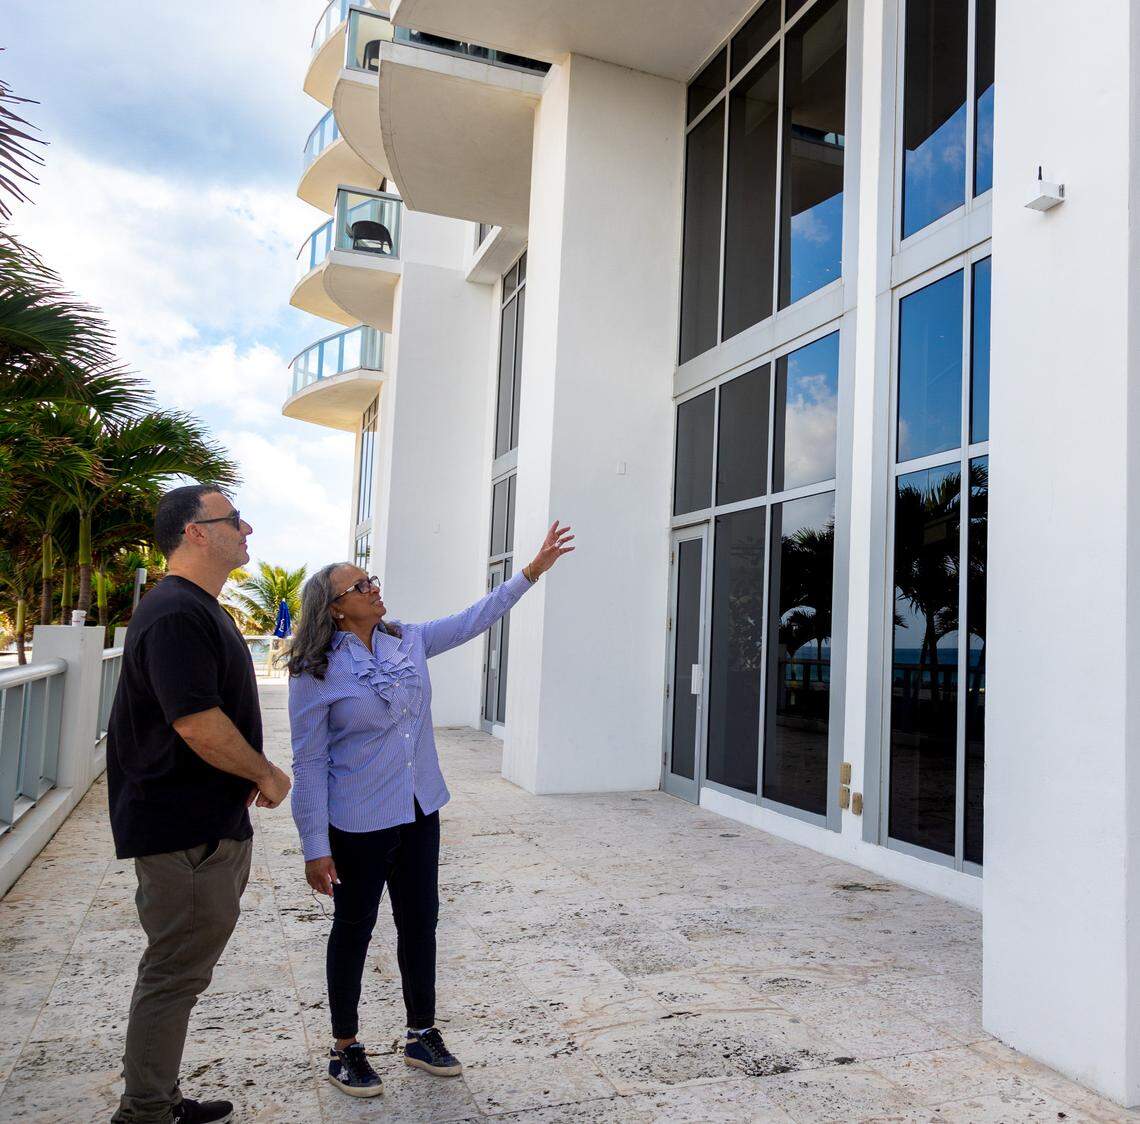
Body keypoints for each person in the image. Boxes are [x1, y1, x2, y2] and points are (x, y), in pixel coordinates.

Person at [287, 521, 574, 1098]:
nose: (373, 588)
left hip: (419, 811)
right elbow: (309, 761)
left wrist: (530, 573)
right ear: (335, 608)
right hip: (358, 821)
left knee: (420, 923)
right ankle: (345, 1048)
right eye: (360, 585)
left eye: (371, 579)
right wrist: (314, 845)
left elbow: (474, 619)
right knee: (354, 928)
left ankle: (421, 1033)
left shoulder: (409, 639)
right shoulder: (315, 671)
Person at [107, 485, 292, 1124]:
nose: (247, 529)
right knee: (173, 975)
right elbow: (196, 722)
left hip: (202, 827)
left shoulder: (194, 608)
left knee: (180, 972)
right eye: (234, 520)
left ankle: (156, 1098)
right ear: (196, 532)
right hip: (184, 832)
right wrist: (265, 773)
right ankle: (145, 1112)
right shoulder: (176, 614)